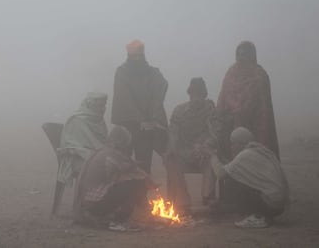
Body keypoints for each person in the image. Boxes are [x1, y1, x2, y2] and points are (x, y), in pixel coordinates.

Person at [74, 126, 156, 231]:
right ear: (121, 142)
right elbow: (135, 171)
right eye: (126, 144)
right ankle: (118, 221)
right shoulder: (112, 154)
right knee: (137, 183)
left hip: (83, 206)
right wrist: (149, 181)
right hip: (93, 207)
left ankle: (127, 215)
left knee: (127, 182)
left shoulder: (100, 151)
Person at [209, 127, 289, 228]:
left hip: (270, 204)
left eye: (233, 143)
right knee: (236, 175)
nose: (231, 147)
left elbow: (220, 173)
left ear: (241, 143)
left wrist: (212, 155)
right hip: (279, 205)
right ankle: (264, 216)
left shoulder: (245, 155)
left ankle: (259, 217)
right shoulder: (261, 150)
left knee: (233, 180)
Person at [111, 40, 168, 175]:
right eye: (134, 56)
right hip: (127, 125)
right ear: (129, 56)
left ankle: (142, 193)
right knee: (122, 162)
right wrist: (139, 119)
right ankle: (123, 193)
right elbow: (124, 98)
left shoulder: (153, 73)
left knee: (143, 164)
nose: (137, 59)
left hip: (146, 128)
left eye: (140, 56)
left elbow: (158, 94)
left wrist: (153, 119)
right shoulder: (121, 73)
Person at [217, 41, 279, 161]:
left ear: (252, 55)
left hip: (255, 125)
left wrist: (242, 111)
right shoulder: (231, 72)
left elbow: (263, 106)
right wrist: (219, 116)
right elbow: (222, 96)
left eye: (245, 54)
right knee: (229, 160)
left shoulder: (259, 74)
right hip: (229, 125)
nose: (241, 57)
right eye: (239, 54)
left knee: (254, 159)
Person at [165, 78, 219, 214]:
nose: (196, 98)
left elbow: (216, 133)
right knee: (170, 160)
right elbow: (173, 130)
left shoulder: (211, 111)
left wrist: (203, 145)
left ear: (204, 95)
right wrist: (172, 147)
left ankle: (208, 196)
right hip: (184, 153)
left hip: (203, 153)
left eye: (199, 95)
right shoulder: (179, 110)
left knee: (212, 159)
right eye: (194, 94)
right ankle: (183, 199)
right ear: (189, 95)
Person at [57, 92, 108, 187]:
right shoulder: (77, 120)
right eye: (99, 105)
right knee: (104, 167)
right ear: (90, 105)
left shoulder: (99, 119)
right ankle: (90, 198)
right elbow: (74, 147)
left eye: (104, 105)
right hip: (76, 159)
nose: (102, 109)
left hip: (96, 155)